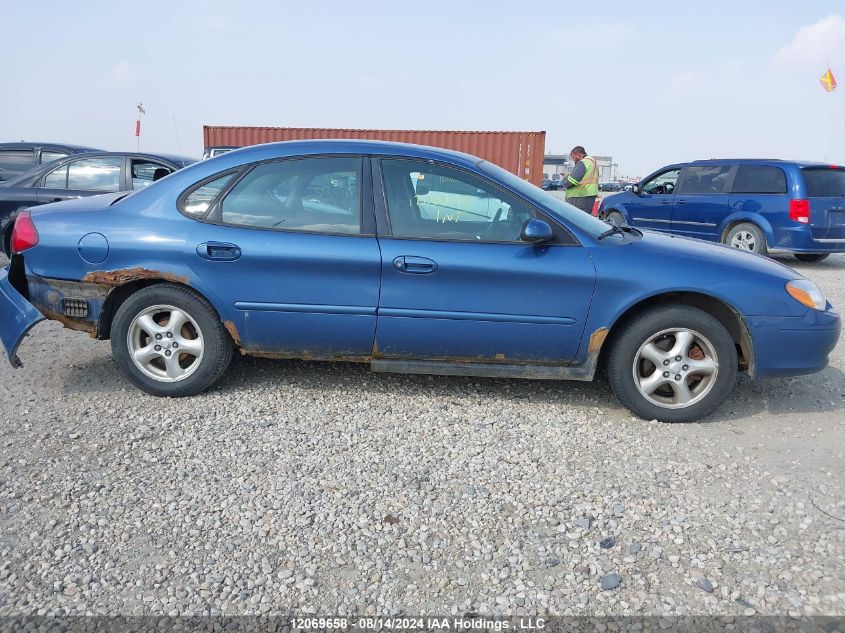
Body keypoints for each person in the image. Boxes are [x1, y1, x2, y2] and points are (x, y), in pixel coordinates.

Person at [562, 146, 598, 213]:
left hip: (579, 197)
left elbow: (570, 182)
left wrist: (566, 177)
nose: (573, 160)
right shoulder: (592, 161)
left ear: (579, 155)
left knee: (573, 219)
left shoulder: (583, 162)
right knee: (583, 220)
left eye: (573, 157)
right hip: (588, 195)